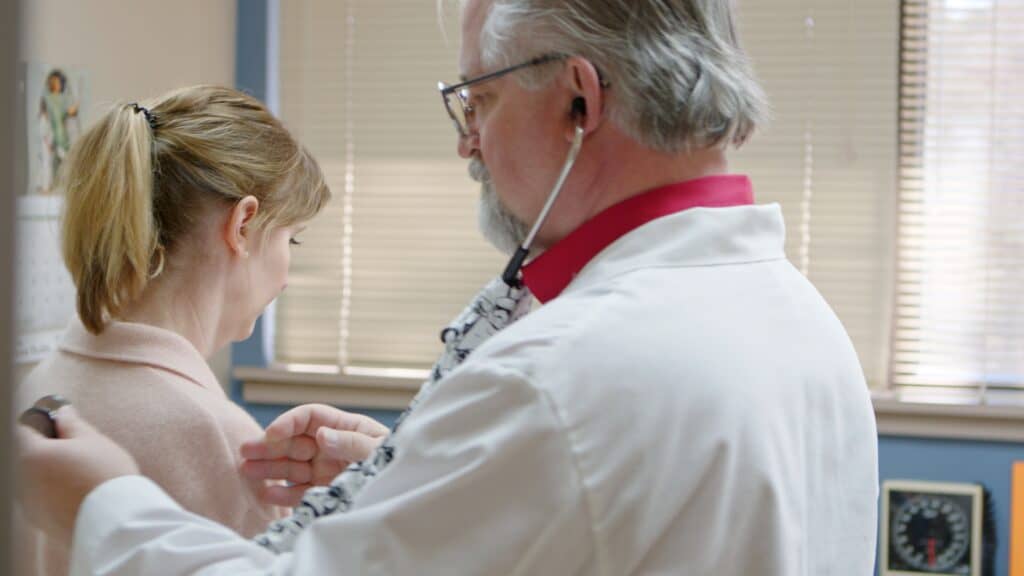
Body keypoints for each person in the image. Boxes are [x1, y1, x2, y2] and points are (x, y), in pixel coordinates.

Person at [17, 1, 880, 574]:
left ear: (579, 102)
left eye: (478, 104)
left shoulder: (561, 379)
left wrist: (100, 502)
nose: (469, 146)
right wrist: (408, 475)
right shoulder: (803, 327)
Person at [13, 85, 381, 576]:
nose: (288, 274)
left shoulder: (38, 385)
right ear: (243, 225)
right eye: (290, 238)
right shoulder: (221, 443)